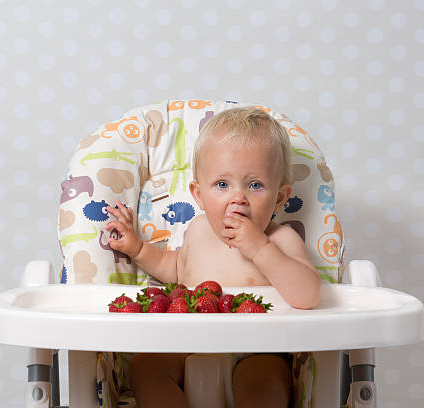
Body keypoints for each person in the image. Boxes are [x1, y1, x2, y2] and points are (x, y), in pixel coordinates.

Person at [104, 106, 322, 408]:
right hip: (186, 343)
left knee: (265, 386)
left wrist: (260, 248)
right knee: (145, 368)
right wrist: (138, 249)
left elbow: (308, 295)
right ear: (198, 194)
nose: (238, 198)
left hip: (257, 351)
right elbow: (177, 270)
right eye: (222, 184)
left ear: (280, 197)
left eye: (255, 185)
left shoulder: (281, 239)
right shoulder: (198, 230)